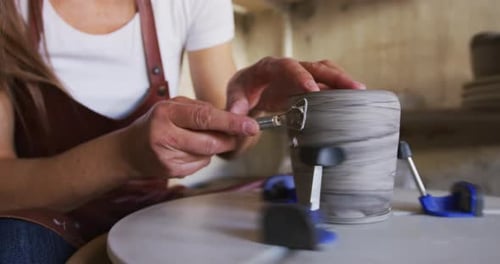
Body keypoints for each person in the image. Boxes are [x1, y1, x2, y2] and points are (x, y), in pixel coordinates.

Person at [0, 0, 365, 262]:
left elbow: (233, 139)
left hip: (145, 209)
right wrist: (125, 155)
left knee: (280, 211)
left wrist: (252, 107)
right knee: (14, 245)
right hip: (42, 213)